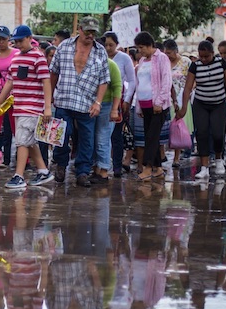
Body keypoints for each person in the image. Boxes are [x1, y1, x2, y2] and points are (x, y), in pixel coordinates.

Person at [50, 16, 110, 187]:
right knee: (61, 135)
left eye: (93, 32)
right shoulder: (64, 46)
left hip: (87, 103)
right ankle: (60, 166)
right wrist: (51, 96)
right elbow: (53, 72)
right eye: (87, 31)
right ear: (80, 30)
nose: (90, 35)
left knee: (87, 139)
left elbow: (104, 80)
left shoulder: (100, 52)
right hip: (64, 99)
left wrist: (98, 102)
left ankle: (82, 172)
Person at [0, 25, 54, 189]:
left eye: (21, 41)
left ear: (29, 38)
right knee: (28, 141)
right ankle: (43, 170)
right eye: (16, 42)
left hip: (32, 107)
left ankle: (19, 175)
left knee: (21, 141)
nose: (18, 44)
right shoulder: (15, 59)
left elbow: (46, 82)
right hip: (19, 106)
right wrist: (0, 100)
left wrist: (47, 107)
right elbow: (10, 81)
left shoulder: (39, 58)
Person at [176, 40, 226, 180]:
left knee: (217, 133)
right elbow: (188, 88)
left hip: (219, 104)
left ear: (212, 54)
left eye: (206, 56)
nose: (203, 59)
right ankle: (204, 167)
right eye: (201, 56)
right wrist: (184, 107)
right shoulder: (195, 66)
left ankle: (218, 159)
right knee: (202, 133)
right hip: (201, 104)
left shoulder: (221, 63)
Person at [123, 32, 172, 181]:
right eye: (138, 48)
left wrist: (160, 101)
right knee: (150, 136)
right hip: (144, 104)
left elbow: (166, 81)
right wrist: (138, 106)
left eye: (142, 47)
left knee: (152, 136)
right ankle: (157, 168)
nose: (140, 51)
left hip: (157, 105)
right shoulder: (142, 62)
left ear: (150, 45)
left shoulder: (162, 58)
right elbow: (139, 84)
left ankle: (148, 167)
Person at [102, 32, 137, 178]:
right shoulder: (99, 56)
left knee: (116, 135)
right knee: (101, 135)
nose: (108, 48)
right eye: (106, 45)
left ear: (116, 44)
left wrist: (127, 100)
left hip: (118, 99)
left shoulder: (124, 58)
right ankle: (100, 165)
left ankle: (117, 166)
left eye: (111, 45)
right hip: (101, 100)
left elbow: (132, 80)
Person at [0, 26, 19, 171]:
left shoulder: (17, 54)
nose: (0, 42)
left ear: (9, 39)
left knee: (17, 130)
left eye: (3, 39)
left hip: (14, 97)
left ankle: (22, 162)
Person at [164, 39, 193, 166]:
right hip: (166, 98)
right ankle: (162, 155)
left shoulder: (186, 62)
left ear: (176, 51)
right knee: (164, 128)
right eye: (165, 53)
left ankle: (176, 157)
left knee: (178, 128)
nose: (167, 55)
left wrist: (187, 93)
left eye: (169, 53)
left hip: (181, 99)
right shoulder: (164, 62)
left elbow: (193, 80)